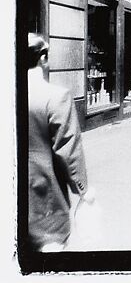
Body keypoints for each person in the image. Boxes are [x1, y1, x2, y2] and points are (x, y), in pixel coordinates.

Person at [27, 33, 94, 251]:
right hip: (45, 206)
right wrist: (83, 190)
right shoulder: (55, 97)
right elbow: (68, 151)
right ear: (43, 58)